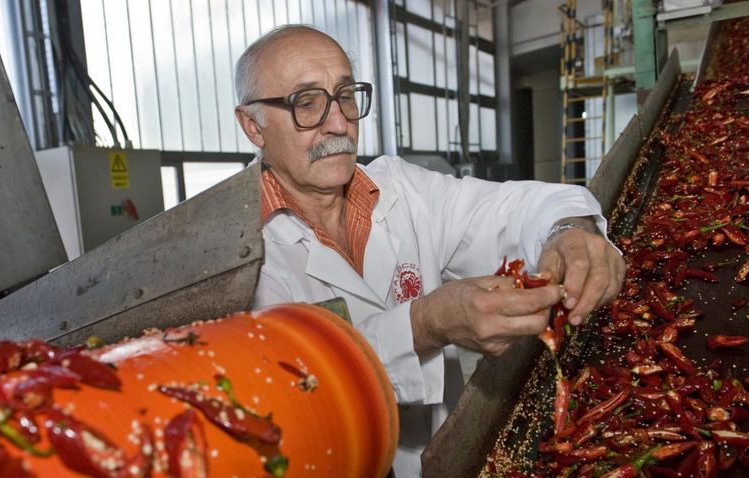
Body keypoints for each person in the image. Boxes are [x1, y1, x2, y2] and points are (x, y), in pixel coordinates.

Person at [233, 24, 625, 477]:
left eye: (345, 95)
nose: (339, 123)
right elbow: (288, 386)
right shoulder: (231, 258)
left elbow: (511, 208)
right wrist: (426, 323)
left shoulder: (401, 189)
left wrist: (572, 230)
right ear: (253, 126)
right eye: (307, 103)